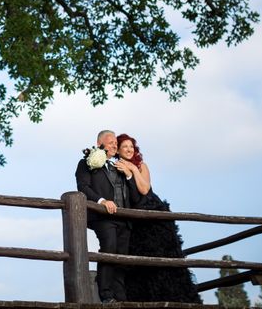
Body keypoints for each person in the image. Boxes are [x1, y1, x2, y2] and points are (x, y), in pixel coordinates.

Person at [115, 133, 201, 303]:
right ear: (118, 149)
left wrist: (132, 169)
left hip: (153, 212)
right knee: (139, 260)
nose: (129, 149)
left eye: (131, 146)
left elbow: (145, 189)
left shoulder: (141, 166)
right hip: (134, 217)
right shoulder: (116, 165)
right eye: (124, 146)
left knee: (165, 255)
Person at [75, 129, 140, 303]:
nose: (114, 145)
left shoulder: (120, 165)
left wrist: (128, 174)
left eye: (115, 143)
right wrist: (102, 201)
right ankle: (106, 294)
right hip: (102, 217)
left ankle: (120, 297)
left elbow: (134, 195)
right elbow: (83, 187)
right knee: (109, 249)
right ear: (99, 144)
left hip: (124, 218)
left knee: (122, 258)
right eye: (110, 142)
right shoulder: (86, 163)